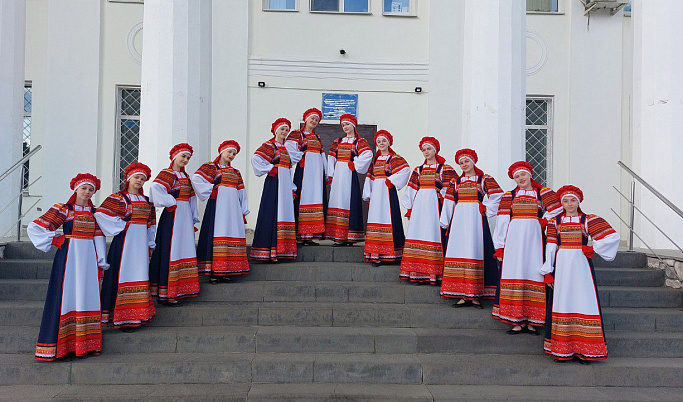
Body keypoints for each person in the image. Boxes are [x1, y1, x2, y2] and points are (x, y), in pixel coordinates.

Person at [27, 173, 109, 361]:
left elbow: (98, 237)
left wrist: (101, 260)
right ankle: (63, 346)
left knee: (86, 294)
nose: (87, 192)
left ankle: (85, 344)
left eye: (91, 190)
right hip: (69, 257)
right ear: (76, 189)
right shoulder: (64, 210)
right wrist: (55, 238)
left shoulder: (95, 213)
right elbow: (35, 227)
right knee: (67, 294)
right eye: (84, 188)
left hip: (88, 259)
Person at [541, 185, 619, 363]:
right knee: (563, 302)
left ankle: (585, 350)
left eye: (573, 200)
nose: (569, 204)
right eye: (566, 201)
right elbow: (551, 246)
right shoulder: (555, 222)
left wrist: (593, 247)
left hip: (581, 266)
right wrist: (548, 270)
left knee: (584, 301)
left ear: (579, 201)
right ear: (562, 203)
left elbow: (612, 237)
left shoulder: (588, 220)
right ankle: (564, 350)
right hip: (562, 266)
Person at [492, 161, 562, 334]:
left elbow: (557, 208)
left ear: (530, 174)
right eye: (516, 176)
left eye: (522, 174)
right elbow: (502, 220)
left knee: (533, 272)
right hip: (514, 240)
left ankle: (532, 321)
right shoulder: (510, 195)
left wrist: (544, 219)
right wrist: (500, 246)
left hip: (534, 239)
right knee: (515, 272)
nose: (520, 178)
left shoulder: (542, 192)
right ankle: (516, 319)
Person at [95, 163, 157, 330]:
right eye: (137, 177)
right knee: (121, 274)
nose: (139, 181)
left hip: (141, 243)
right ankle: (120, 316)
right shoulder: (118, 198)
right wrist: (122, 226)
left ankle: (138, 314)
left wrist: (150, 241)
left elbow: (151, 223)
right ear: (128, 178)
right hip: (125, 243)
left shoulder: (146, 201)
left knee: (139, 273)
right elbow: (100, 214)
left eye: (143, 179)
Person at [439, 149, 503, 307]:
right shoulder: (456, 182)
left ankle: (474, 294)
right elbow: (449, 201)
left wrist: (486, 207)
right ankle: (462, 294)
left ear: (473, 161)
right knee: (460, 251)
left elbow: (498, 195)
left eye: (466, 161)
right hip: (459, 220)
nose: (464, 165)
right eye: (461, 163)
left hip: (475, 220)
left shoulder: (483, 179)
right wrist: (445, 222)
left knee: (474, 250)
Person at [149, 143, 201, 305]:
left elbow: (192, 198)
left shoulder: (186, 177)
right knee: (171, 249)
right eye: (183, 156)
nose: (185, 160)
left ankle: (182, 289)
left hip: (184, 217)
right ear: (174, 156)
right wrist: (170, 201)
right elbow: (155, 188)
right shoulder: (167, 173)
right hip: (173, 216)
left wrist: (193, 217)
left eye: (188, 158)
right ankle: (166, 292)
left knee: (183, 248)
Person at [400, 137, 456, 285]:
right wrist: (410, 207)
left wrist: (442, 195)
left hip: (435, 205)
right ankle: (418, 272)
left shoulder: (445, 168)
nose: (426, 152)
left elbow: (453, 187)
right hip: (420, 206)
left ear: (435, 149)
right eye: (423, 150)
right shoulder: (418, 170)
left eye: (429, 149)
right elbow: (411, 188)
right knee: (419, 232)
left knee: (433, 233)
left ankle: (434, 274)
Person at [193, 140, 250, 282]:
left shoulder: (235, 172)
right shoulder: (211, 167)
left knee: (231, 232)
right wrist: (211, 189)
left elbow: (241, 191)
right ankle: (213, 271)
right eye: (229, 152)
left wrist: (242, 210)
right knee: (216, 232)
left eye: (234, 153)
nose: (231, 155)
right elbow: (196, 179)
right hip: (218, 207)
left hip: (233, 209)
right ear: (221, 151)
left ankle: (227, 269)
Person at [250, 118, 297, 261]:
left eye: (287, 130)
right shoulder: (270, 145)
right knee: (272, 213)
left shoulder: (286, 149)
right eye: (282, 129)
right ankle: (269, 251)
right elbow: (256, 159)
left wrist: (291, 187)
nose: (284, 132)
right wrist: (269, 168)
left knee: (284, 214)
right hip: (274, 183)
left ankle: (283, 251)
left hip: (284, 184)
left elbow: (289, 169)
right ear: (276, 130)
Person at [362, 130, 410, 266]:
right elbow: (370, 177)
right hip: (377, 194)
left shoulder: (394, 158)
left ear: (389, 142)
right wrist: (368, 194)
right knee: (376, 218)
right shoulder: (375, 160)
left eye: (383, 141)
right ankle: (375, 253)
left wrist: (392, 180)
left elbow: (405, 169)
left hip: (387, 193)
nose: (381, 143)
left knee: (389, 218)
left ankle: (392, 253)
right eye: (378, 142)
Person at [326, 113, 373, 246]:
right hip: (339, 175)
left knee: (348, 201)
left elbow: (368, 154)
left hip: (349, 173)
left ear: (353, 125)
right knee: (338, 200)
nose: (345, 127)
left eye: (347, 124)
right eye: (343, 125)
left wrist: (355, 162)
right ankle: (338, 236)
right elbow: (331, 156)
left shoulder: (360, 141)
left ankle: (350, 237)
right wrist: (331, 173)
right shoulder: (338, 141)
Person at [286, 108, 327, 245]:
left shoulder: (317, 137)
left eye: (316, 120)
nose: (314, 121)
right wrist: (299, 157)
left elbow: (322, 154)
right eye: (312, 119)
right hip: (304, 171)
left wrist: (325, 172)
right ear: (306, 119)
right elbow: (289, 149)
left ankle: (309, 235)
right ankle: (299, 235)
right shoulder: (297, 134)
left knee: (315, 198)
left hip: (316, 173)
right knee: (302, 198)